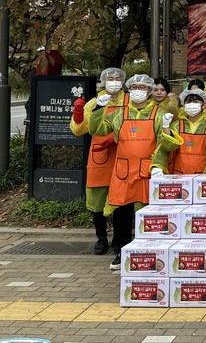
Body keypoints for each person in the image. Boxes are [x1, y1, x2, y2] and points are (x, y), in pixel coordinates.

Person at [88, 74, 166, 271]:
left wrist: (158, 165)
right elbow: (97, 130)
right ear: (129, 90)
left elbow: (164, 143)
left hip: (146, 171)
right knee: (121, 213)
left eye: (143, 87)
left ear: (149, 91)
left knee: (146, 214)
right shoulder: (118, 114)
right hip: (123, 171)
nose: (138, 90)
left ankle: (146, 253)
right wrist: (98, 109)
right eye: (135, 87)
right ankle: (122, 252)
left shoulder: (159, 114)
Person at [69, 67, 127, 256]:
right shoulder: (94, 103)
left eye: (118, 78)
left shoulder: (129, 102)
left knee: (121, 200)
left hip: (123, 154)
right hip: (99, 157)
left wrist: (116, 137)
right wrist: (78, 113)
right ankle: (101, 238)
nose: (114, 82)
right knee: (97, 200)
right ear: (103, 81)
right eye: (110, 78)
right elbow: (79, 130)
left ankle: (119, 239)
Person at [151, 89, 206, 175]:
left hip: (202, 176)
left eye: (196, 102)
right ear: (184, 105)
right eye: (188, 102)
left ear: (204, 105)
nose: (191, 104)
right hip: (179, 175)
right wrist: (157, 166)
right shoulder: (177, 125)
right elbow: (167, 147)